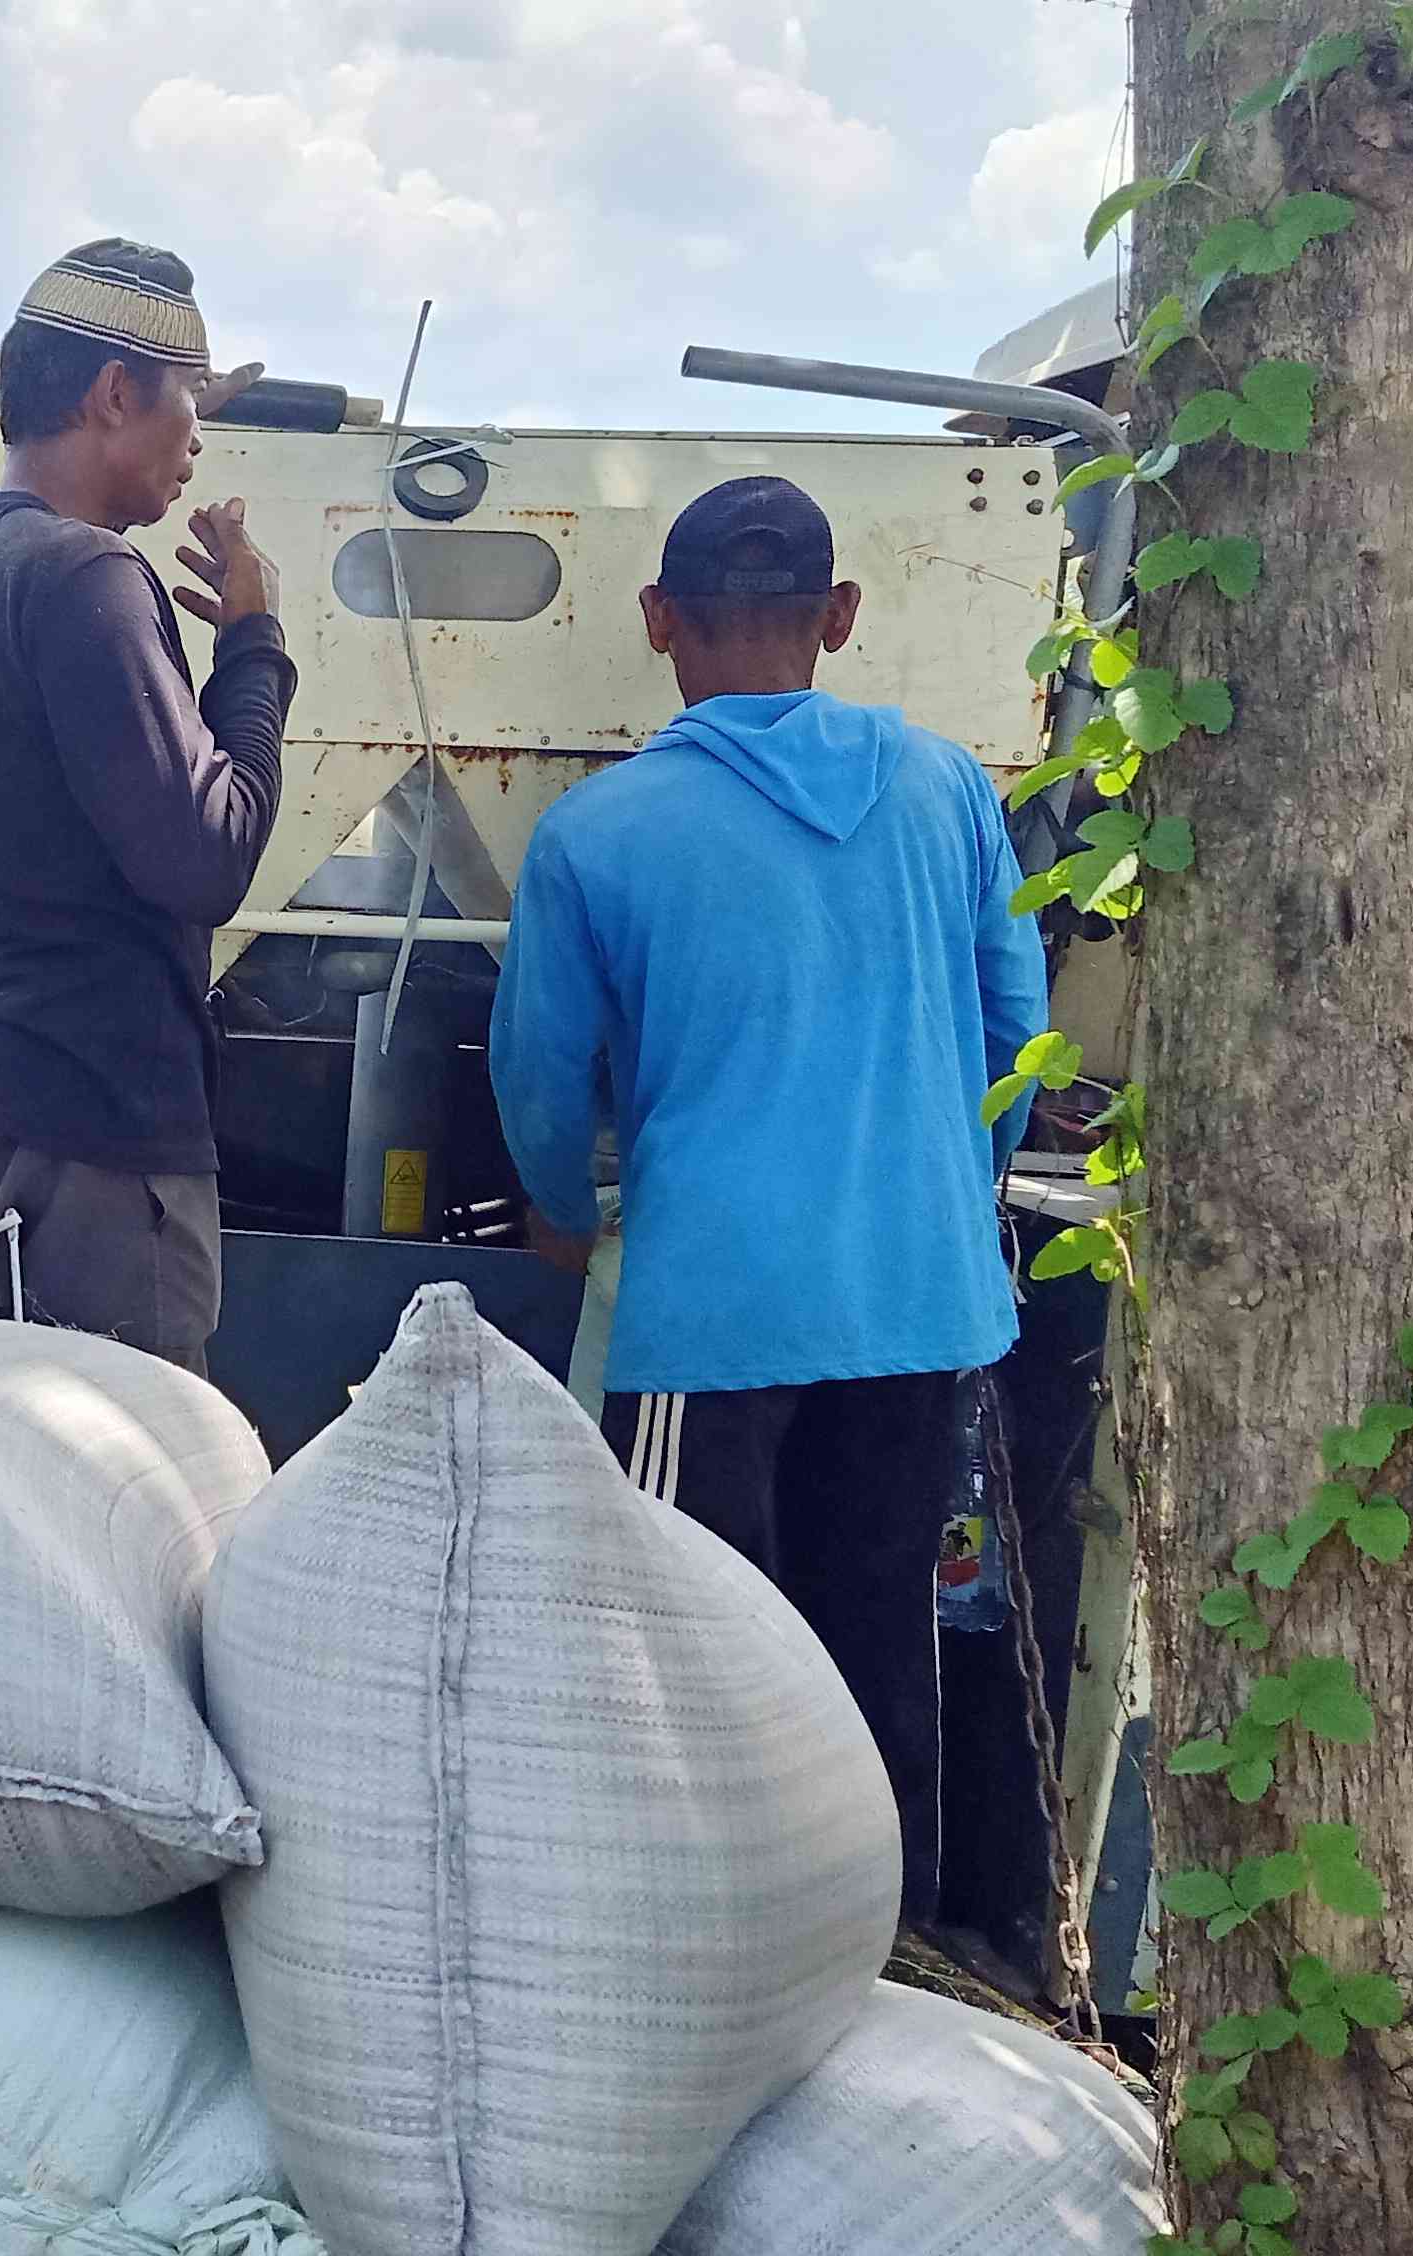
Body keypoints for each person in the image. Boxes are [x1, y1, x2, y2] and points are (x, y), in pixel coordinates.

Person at [488, 473, 1048, 1923]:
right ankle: (892, 1964)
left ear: (659, 620)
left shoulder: (599, 834)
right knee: (880, 1655)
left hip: (711, 1322)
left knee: (686, 1667)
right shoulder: (950, 791)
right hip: (921, 1303)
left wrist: (560, 1212)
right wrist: (946, 1185)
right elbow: (1015, 1021)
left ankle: (688, 1963)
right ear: (842, 617)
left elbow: (541, 1079)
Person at [0, 239, 295, 1374]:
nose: (197, 440)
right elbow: (208, 855)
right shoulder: (84, 578)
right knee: (135, 1486)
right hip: (103, 1132)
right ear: (117, 394)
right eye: (187, 404)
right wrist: (255, 653)